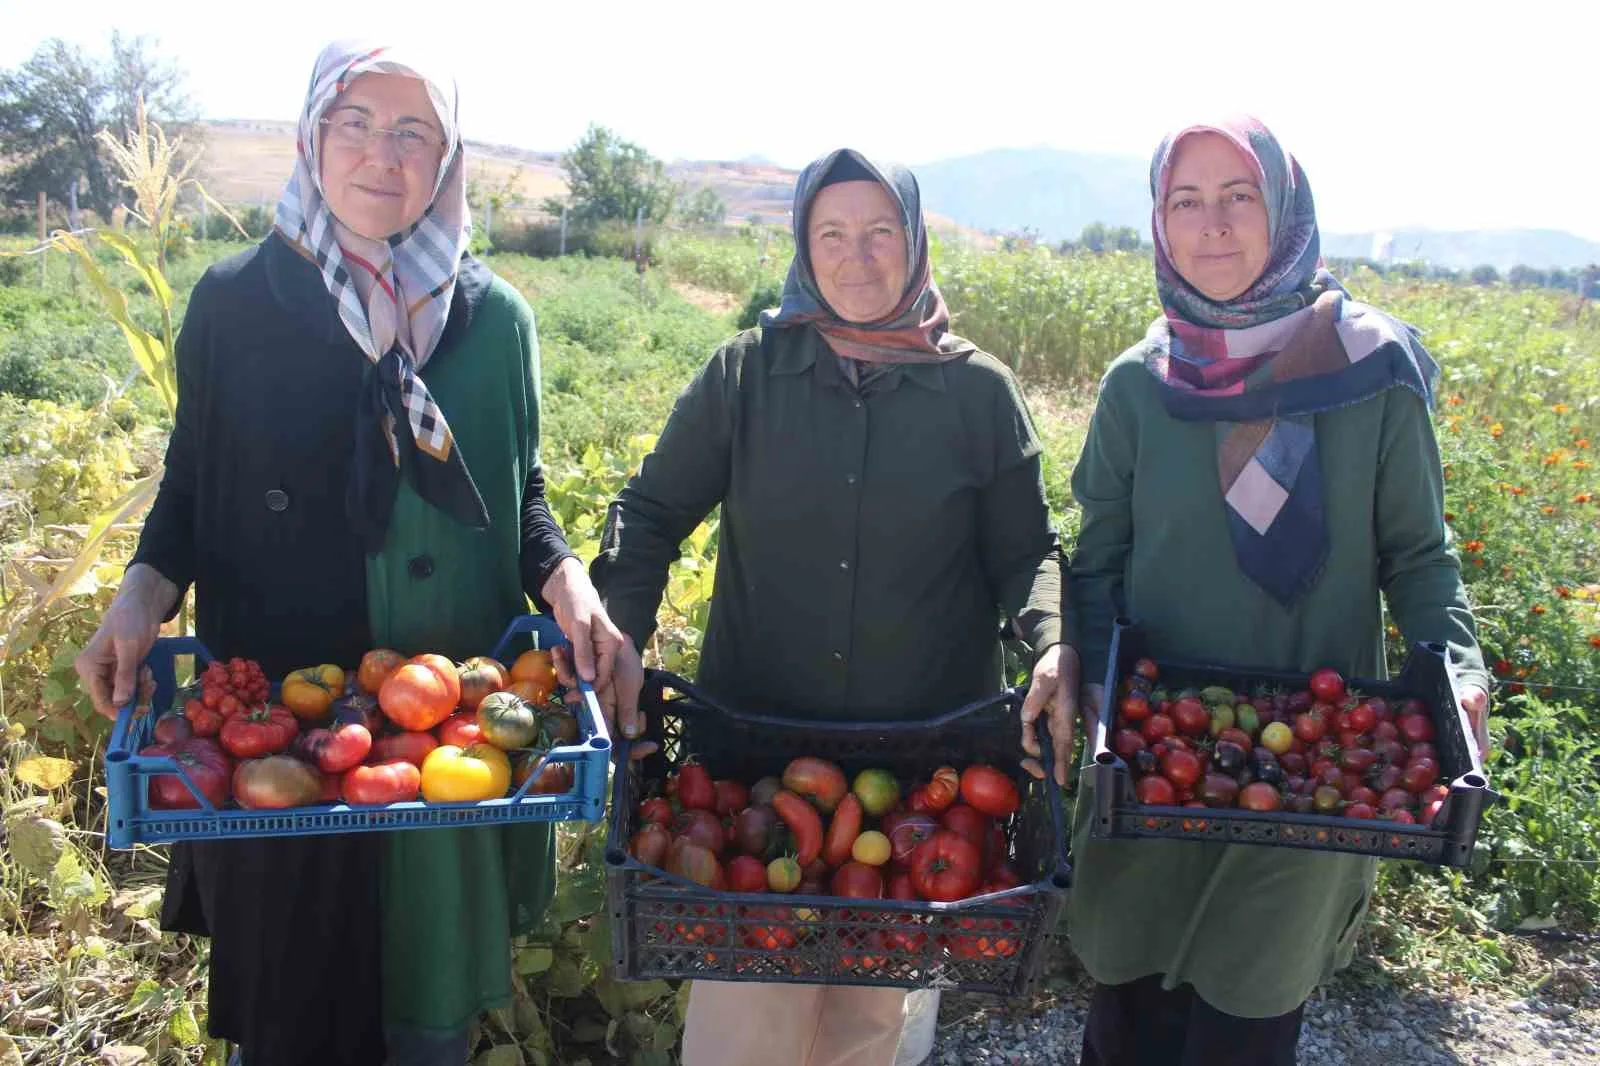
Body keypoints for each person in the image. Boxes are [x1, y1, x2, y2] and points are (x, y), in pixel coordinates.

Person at [73, 39, 640, 1066]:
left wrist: (570, 582)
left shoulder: (493, 320)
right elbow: (189, 492)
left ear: (448, 157)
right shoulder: (237, 303)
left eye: (414, 131)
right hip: (277, 724)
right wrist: (138, 596)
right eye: (357, 124)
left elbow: (523, 499)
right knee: (289, 1014)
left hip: (439, 726)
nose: (383, 154)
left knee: (424, 1017)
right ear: (311, 136)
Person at [587, 148, 1077, 1066]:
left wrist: (1051, 642)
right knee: (747, 1019)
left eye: (881, 232)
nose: (858, 257)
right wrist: (623, 621)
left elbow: (1027, 554)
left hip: (924, 776)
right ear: (805, 247)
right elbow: (649, 513)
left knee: (874, 1022)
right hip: (755, 769)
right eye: (833, 234)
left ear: (916, 241)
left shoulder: (978, 393)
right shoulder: (748, 375)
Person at [1064, 115, 1492, 1066]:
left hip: (1317, 771)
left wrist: (1457, 670)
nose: (1212, 225)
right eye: (1186, 201)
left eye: (1238, 196)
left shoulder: (1375, 374)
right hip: (1151, 754)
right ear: (1159, 225)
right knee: (1127, 1018)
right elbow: (1096, 563)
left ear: (1285, 209)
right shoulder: (1141, 386)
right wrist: (1089, 687)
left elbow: (1419, 557)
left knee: (1247, 1023)